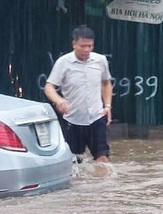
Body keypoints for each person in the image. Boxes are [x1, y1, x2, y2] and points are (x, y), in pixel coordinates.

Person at [44, 25, 113, 162]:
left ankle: (105, 183)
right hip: (73, 119)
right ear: (74, 44)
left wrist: (108, 106)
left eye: (90, 46)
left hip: (96, 117)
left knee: (102, 157)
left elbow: (106, 83)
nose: (87, 50)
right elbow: (49, 87)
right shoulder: (63, 63)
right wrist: (59, 100)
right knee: (74, 161)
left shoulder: (100, 60)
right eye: (83, 46)